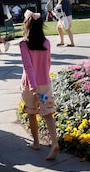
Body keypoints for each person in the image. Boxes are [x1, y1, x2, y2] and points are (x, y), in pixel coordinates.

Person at [19, 10, 60, 161]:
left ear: (26, 25)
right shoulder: (46, 43)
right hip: (45, 83)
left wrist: (33, 87)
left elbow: (28, 66)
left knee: (32, 113)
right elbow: (47, 63)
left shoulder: (24, 44)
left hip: (30, 85)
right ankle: (54, 142)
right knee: (48, 113)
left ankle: (36, 143)